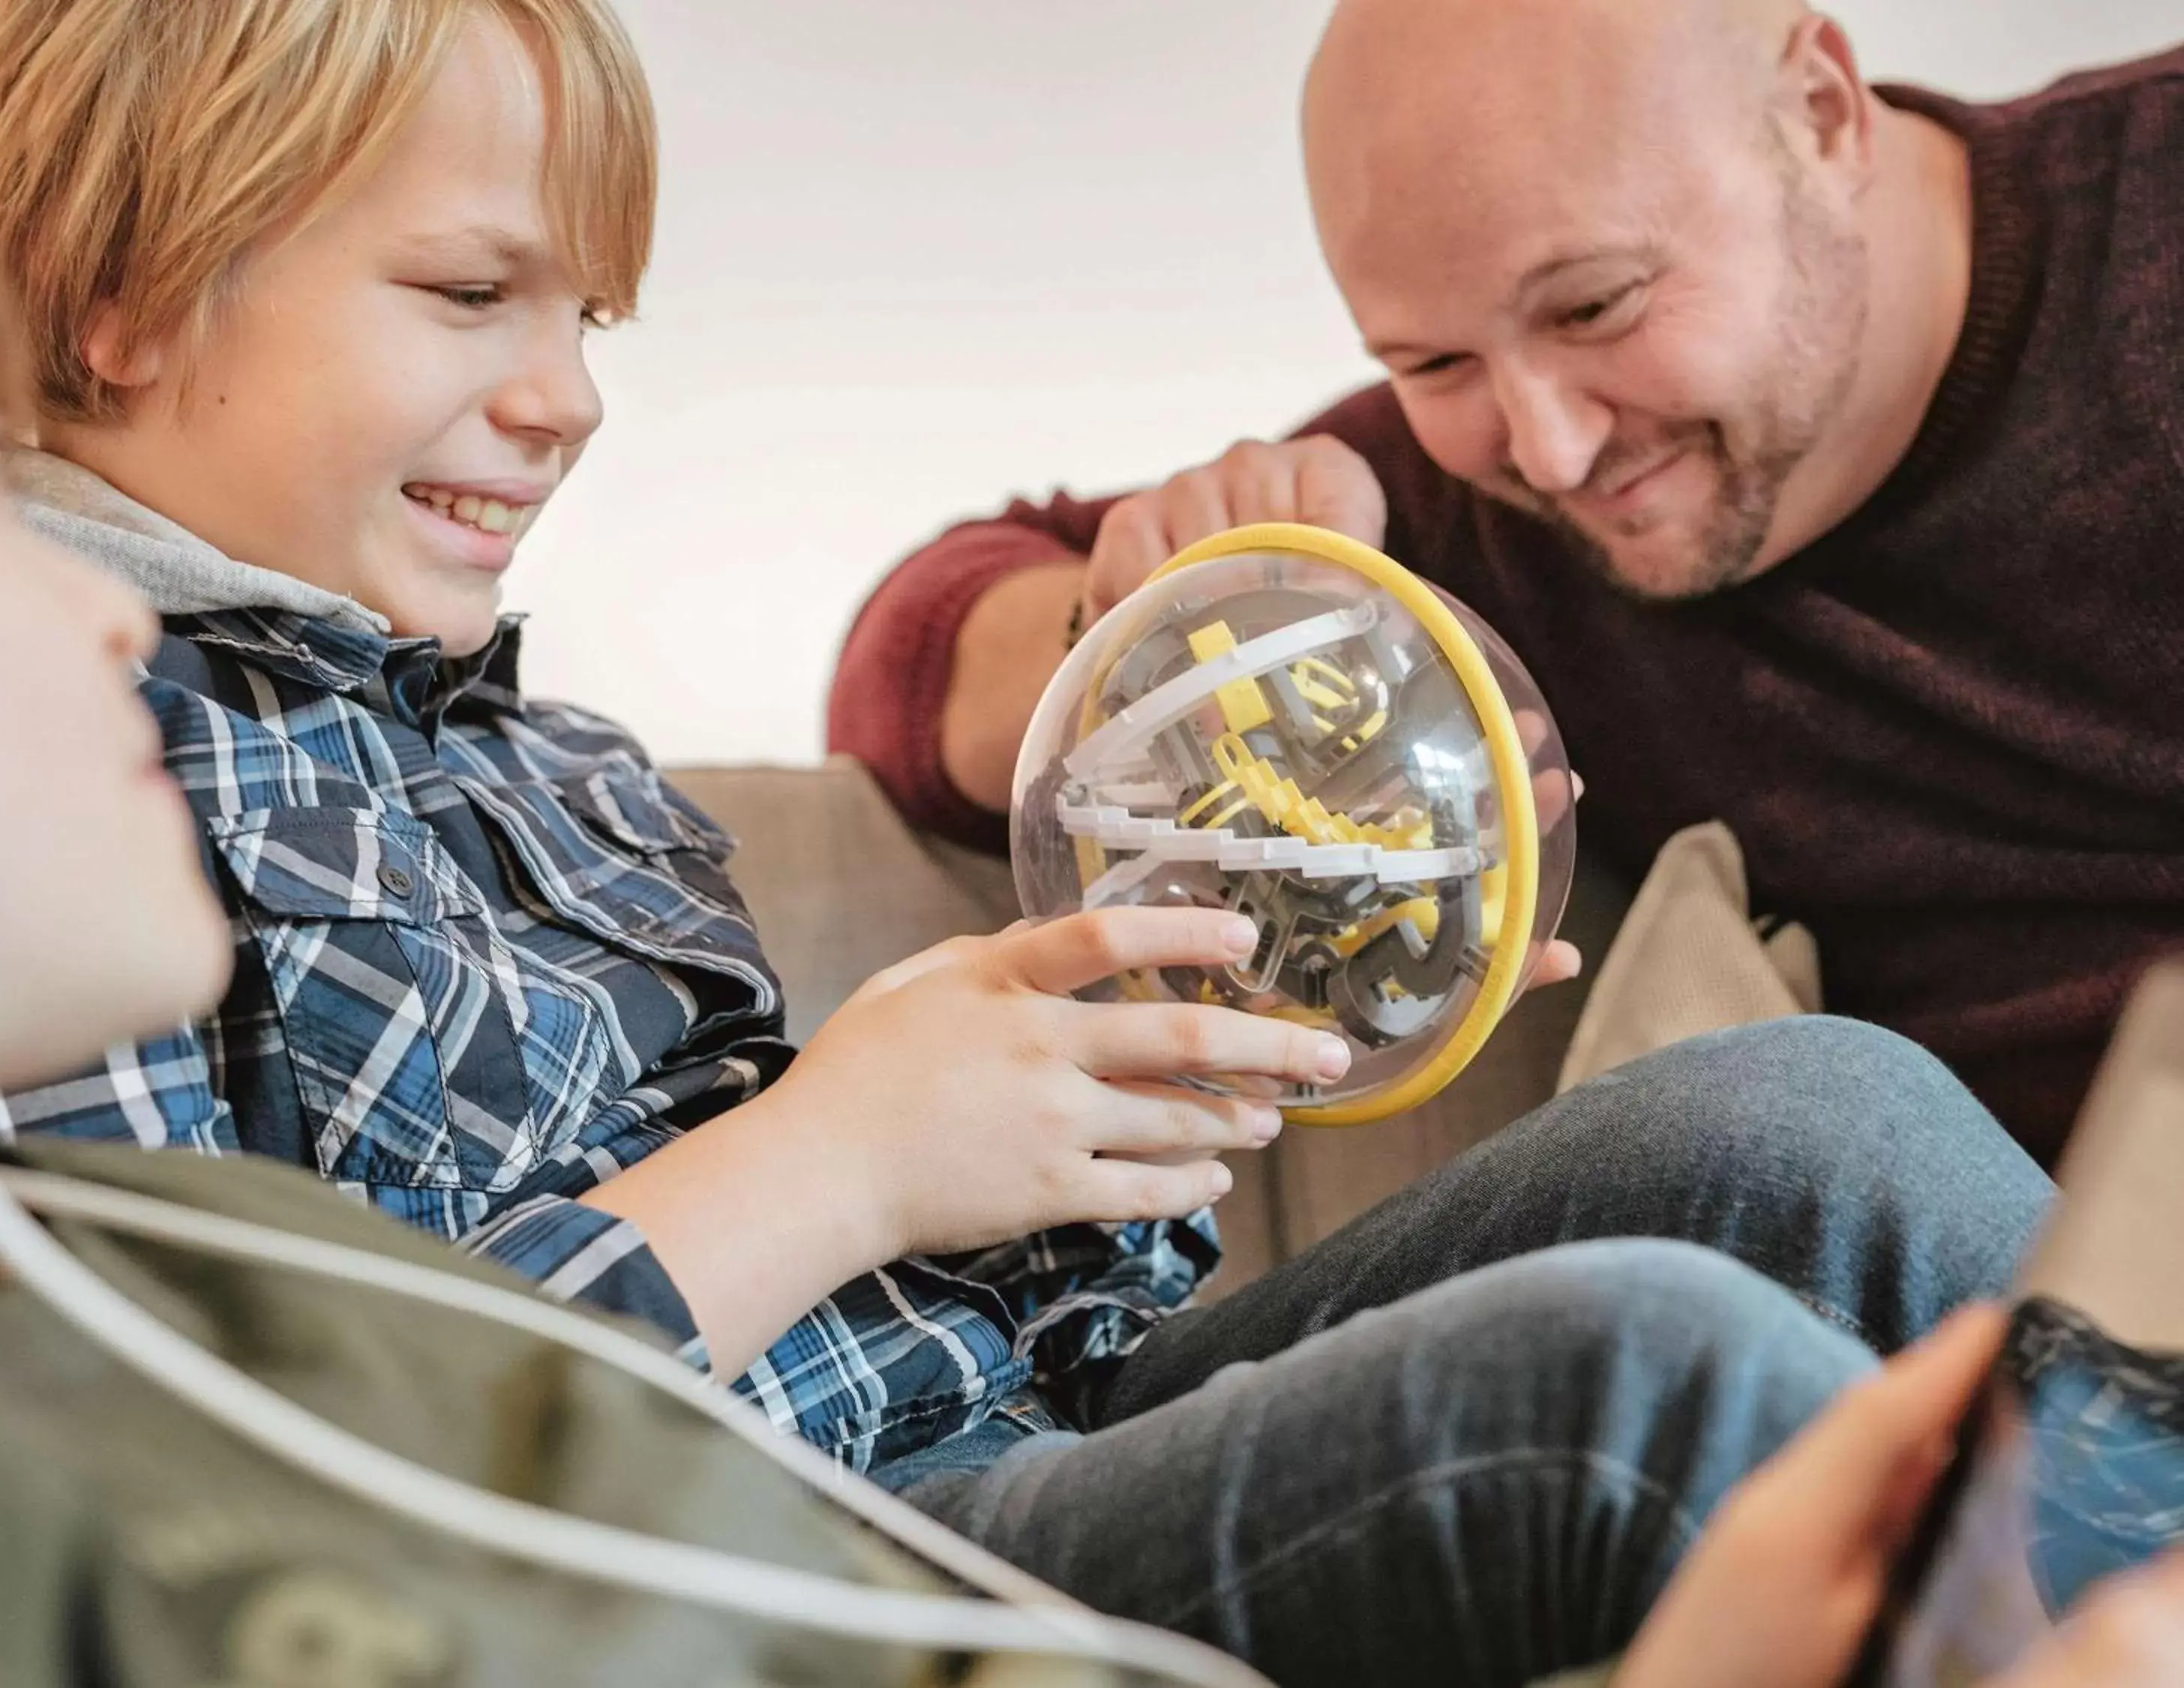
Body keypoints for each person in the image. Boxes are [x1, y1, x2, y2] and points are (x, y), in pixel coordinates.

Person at [0, 4, 2062, 1681]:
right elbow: (202, 1471)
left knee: (1823, 1117)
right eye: (474, 289)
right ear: (123, 297)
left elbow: (973, 1324)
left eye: (590, 319)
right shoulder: (56, 800)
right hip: (733, 1563)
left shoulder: (571, 773)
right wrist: (832, 1152)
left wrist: (1144, 1065)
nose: (570, 394)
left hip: (983, 1438)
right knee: (1645, 1387)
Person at [828, 0, 2184, 1168]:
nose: (1548, 448)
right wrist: (1142, 617)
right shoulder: (1463, 517)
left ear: (1822, 115)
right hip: (1988, 1345)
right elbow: (908, 659)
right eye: (1433, 366)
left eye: (1597, 304)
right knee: (1785, 1126)